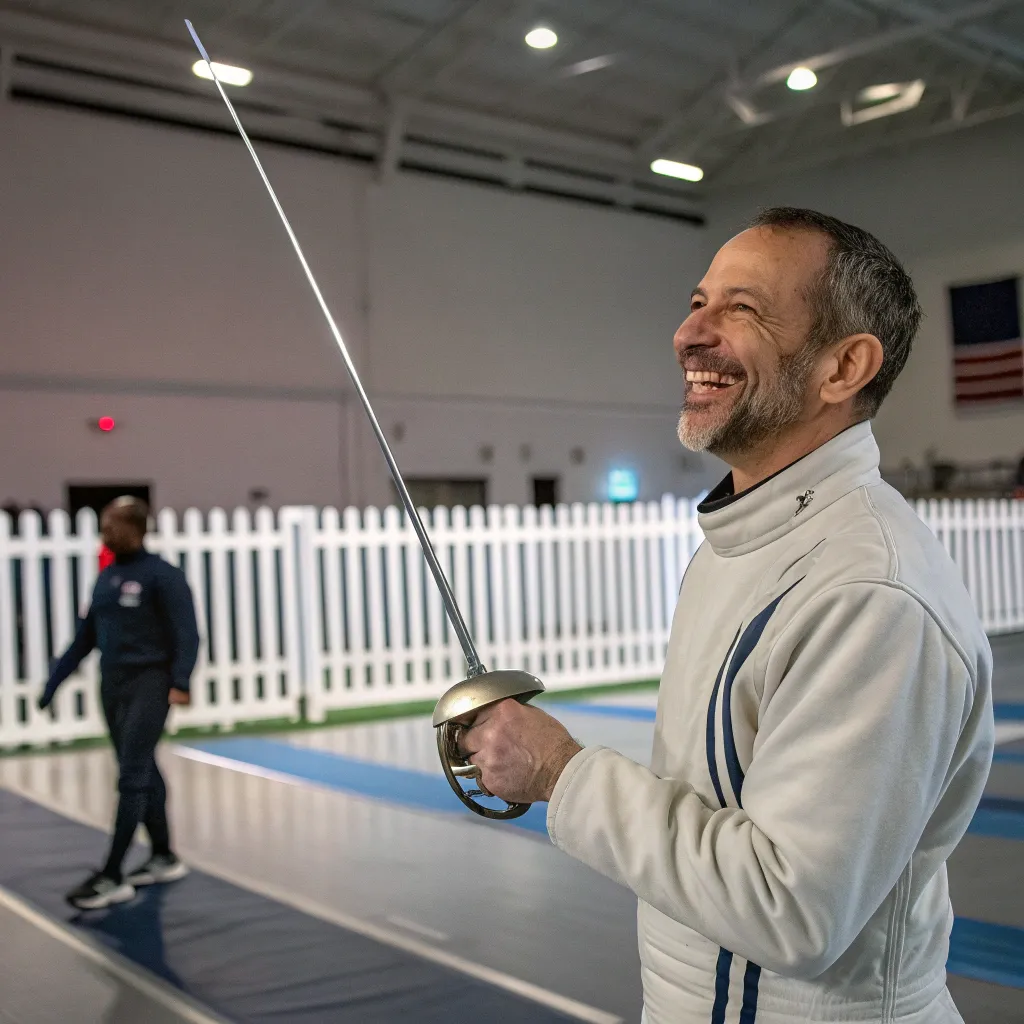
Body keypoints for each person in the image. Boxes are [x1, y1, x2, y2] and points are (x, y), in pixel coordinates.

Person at [459, 208, 994, 1023]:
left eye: (740, 310)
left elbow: (793, 909)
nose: (687, 334)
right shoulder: (739, 545)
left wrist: (561, 773)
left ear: (844, 365)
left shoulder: (870, 594)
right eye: (697, 301)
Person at [39, 496, 200, 911]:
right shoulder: (107, 578)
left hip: (150, 682)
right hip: (114, 683)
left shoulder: (162, 577)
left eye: (112, 524)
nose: (105, 531)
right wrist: (54, 682)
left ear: (136, 528)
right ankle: (164, 855)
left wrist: (180, 681)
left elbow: (187, 633)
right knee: (143, 768)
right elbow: (85, 637)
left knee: (131, 775)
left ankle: (112, 874)